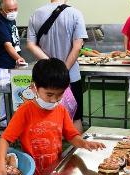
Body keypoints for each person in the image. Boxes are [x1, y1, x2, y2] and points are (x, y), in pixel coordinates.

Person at [0, 58, 105, 175]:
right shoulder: (25, 111)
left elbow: (71, 136)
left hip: (54, 171)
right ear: (34, 88)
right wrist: (0, 165)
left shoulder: (61, 110)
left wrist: (84, 143)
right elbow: (5, 139)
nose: (54, 100)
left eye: (60, 94)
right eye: (49, 94)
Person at [26, 0, 87, 133]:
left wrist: (51, 67)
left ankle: (47, 150)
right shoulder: (75, 14)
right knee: (75, 118)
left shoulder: (36, 14)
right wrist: (62, 70)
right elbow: (77, 47)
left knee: (45, 117)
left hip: (45, 77)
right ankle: (77, 152)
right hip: (70, 77)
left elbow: (31, 44)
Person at [0, 0, 25, 125]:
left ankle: (15, 120)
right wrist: (18, 58)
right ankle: (5, 123)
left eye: (15, 9)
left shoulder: (10, 19)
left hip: (12, 63)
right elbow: (7, 45)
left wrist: (17, 59)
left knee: (15, 92)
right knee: (5, 93)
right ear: (2, 10)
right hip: (3, 64)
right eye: (10, 10)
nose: (13, 12)